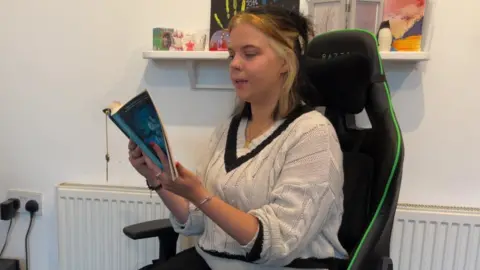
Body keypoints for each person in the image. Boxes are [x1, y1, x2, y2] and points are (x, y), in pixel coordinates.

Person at [128, 5, 348, 270]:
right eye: (232, 54)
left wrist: (199, 195)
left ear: (285, 62)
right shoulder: (227, 130)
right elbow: (197, 220)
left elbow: (279, 246)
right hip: (212, 262)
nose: (234, 64)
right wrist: (157, 179)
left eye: (250, 54)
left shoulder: (313, 135)